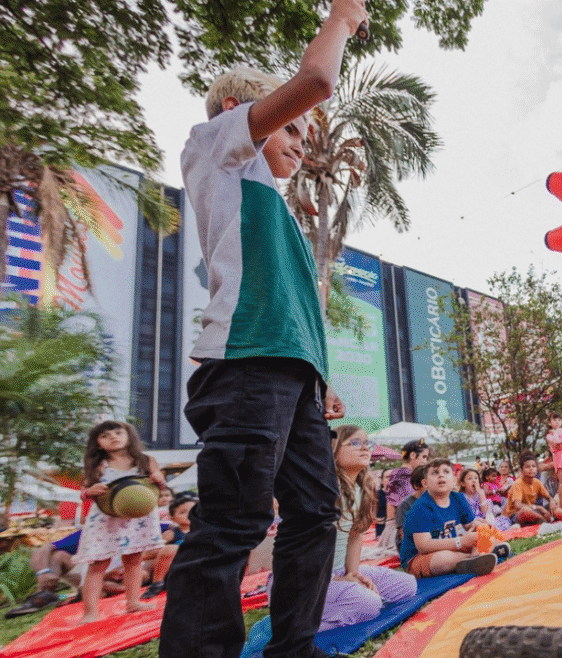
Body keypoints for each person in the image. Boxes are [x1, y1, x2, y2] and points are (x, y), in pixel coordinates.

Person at [159, 3, 368, 655]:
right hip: (247, 366)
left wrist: (321, 381)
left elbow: (295, 310)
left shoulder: (277, 212)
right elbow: (318, 82)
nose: (302, 140)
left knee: (315, 513)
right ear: (234, 111)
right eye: (292, 127)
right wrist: (341, 17)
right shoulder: (216, 150)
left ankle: (293, 647)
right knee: (236, 520)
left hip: (292, 379)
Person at [318, 426, 416, 631]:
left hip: (339, 571)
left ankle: (336, 605)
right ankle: (294, 625)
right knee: (369, 604)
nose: (364, 448)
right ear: (333, 450)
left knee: (407, 585)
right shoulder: (324, 488)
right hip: (309, 577)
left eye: (367, 443)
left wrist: (352, 574)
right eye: (355, 443)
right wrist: (337, 579)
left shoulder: (361, 489)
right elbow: (308, 544)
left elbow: (356, 535)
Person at [75, 420, 166, 625]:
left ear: (129, 435)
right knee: (98, 564)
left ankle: (133, 602)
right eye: (105, 435)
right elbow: (83, 491)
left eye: (118, 432)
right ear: (98, 443)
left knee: (134, 560)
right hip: (106, 518)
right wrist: (89, 492)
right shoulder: (98, 465)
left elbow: (159, 489)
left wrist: (160, 479)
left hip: (137, 518)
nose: (113, 437)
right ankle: (90, 612)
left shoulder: (145, 460)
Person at [400, 459, 501, 578]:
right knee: (443, 558)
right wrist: (461, 541)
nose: (441, 475)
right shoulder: (420, 507)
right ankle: (477, 558)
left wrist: (478, 524)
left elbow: (469, 524)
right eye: (435, 473)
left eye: (446, 471)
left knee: (487, 532)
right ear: (425, 483)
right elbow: (423, 546)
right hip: (420, 557)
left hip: (451, 546)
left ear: (454, 480)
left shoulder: (458, 498)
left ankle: (476, 558)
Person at [142, 495, 199, 600]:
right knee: (171, 549)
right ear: (172, 518)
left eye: (193, 510)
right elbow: (146, 555)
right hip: (179, 570)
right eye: (182, 512)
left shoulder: (204, 530)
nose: (189, 515)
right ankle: (157, 583)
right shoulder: (171, 533)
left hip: (200, 568)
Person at [504, 453, 553, 526]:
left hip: (532, 511)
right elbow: (518, 506)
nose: (531, 468)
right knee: (526, 511)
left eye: (533, 466)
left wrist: (552, 503)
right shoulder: (518, 484)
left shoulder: (537, 482)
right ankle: (545, 522)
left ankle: (545, 520)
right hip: (515, 515)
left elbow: (549, 497)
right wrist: (539, 508)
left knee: (554, 503)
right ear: (521, 470)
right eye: (527, 467)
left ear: (537, 468)